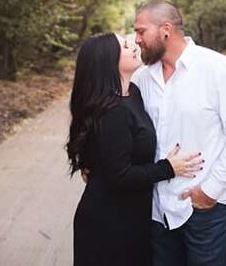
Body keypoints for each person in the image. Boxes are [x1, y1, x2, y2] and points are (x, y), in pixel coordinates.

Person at [132, 0, 226, 266]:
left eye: (141, 31)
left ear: (166, 30)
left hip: (204, 211)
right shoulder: (142, 78)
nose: (136, 39)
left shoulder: (217, 68)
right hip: (157, 213)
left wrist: (210, 191)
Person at [67, 33, 202, 266]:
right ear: (108, 59)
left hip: (132, 217)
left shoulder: (133, 94)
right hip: (109, 224)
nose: (133, 45)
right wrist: (168, 168)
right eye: (124, 45)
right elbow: (120, 176)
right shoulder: (113, 110)